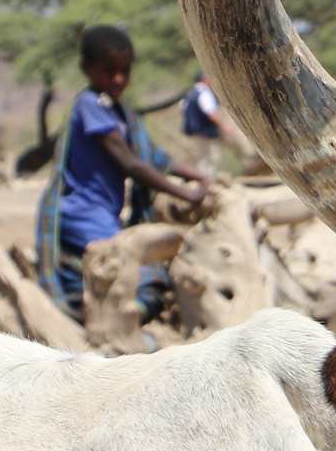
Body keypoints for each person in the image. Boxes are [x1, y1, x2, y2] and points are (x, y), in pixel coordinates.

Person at [37, 25, 209, 321]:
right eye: (109, 70)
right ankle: (111, 330)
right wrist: (188, 194)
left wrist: (204, 179)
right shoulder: (90, 105)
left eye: (125, 71)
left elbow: (155, 158)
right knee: (138, 277)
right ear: (86, 68)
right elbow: (132, 164)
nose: (118, 79)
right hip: (83, 212)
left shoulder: (118, 111)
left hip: (101, 212)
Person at [179, 70, 234, 173]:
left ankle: (203, 179)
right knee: (212, 157)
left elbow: (182, 110)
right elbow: (210, 112)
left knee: (202, 156)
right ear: (204, 79)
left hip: (194, 131)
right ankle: (207, 180)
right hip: (206, 131)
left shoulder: (190, 93)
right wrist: (224, 127)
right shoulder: (204, 93)